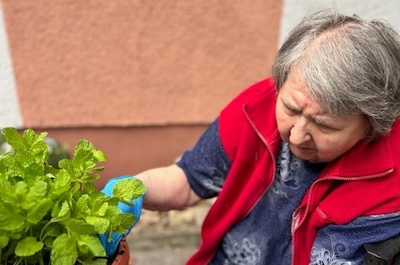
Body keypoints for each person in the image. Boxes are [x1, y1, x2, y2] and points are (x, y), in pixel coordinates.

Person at [103, 8, 400, 265]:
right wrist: (134, 189)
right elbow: (187, 180)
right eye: (290, 108)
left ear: (374, 123)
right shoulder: (255, 107)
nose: (296, 136)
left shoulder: (390, 186)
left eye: (326, 126)